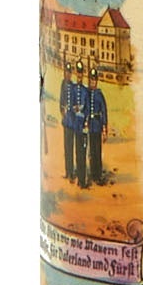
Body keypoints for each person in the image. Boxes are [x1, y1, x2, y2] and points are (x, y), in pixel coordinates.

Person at [59, 56, 87, 188]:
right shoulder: (66, 85)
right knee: (68, 147)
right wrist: (63, 111)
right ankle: (69, 172)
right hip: (68, 120)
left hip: (76, 122)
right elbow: (62, 101)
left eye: (71, 72)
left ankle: (78, 176)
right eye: (68, 72)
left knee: (78, 149)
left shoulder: (79, 88)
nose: (69, 74)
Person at [84, 64, 109, 187]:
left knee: (97, 151)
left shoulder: (99, 95)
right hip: (91, 126)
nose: (92, 83)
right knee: (91, 151)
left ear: (96, 81)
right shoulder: (87, 93)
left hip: (97, 125)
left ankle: (98, 175)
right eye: (91, 80)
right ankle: (93, 173)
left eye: (94, 80)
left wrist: (104, 128)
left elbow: (104, 111)